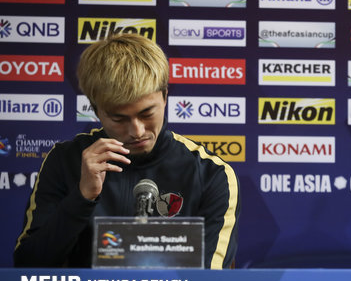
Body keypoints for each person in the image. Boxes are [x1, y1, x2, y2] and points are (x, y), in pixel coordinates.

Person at [14, 34, 240, 268]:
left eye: (146, 114)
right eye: (119, 118)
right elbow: (28, 268)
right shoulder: (65, 160)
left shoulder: (211, 173)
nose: (137, 131)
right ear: (96, 110)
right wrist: (82, 198)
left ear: (165, 96)